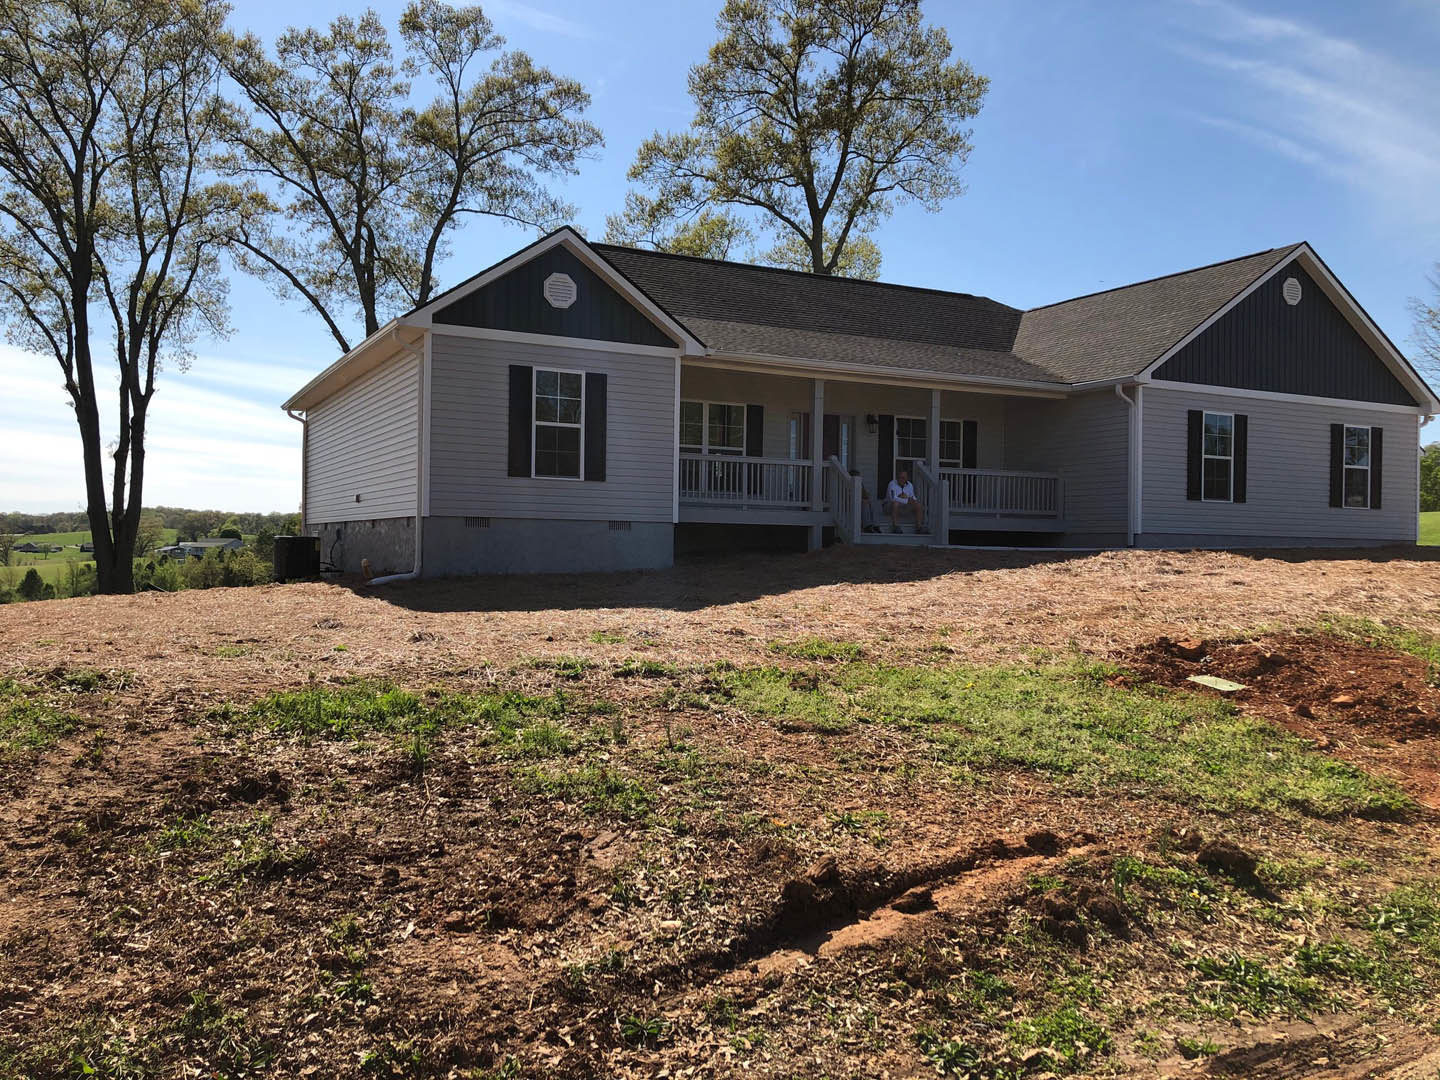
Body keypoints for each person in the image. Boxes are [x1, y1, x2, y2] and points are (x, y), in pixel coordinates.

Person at [884, 469, 925, 533]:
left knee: (918, 505)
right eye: (900, 477)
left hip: (904, 507)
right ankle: (895, 526)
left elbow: (912, 496)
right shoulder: (892, 484)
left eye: (904, 478)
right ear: (897, 477)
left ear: (907, 478)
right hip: (889, 506)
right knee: (896, 503)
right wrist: (907, 501)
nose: (902, 479)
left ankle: (919, 527)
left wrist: (913, 501)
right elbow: (893, 498)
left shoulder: (910, 485)